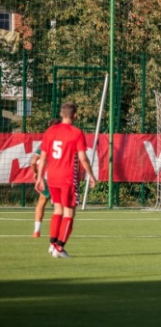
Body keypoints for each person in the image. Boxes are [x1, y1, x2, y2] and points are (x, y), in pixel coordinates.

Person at [35, 102, 97, 258]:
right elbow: (83, 158)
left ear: (61, 115)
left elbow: (42, 158)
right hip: (68, 177)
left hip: (52, 177)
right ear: (75, 115)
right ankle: (59, 248)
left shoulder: (50, 132)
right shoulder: (76, 133)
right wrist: (91, 175)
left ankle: (52, 244)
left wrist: (40, 178)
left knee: (57, 210)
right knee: (69, 212)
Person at [30, 119, 60, 238]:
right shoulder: (66, 141)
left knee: (41, 202)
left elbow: (33, 162)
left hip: (46, 177)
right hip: (59, 176)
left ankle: (36, 231)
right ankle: (56, 233)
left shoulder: (45, 143)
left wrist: (36, 174)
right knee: (59, 206)